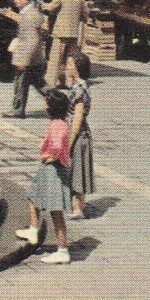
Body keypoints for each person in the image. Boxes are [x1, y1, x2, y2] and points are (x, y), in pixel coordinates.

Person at [15, 89, 74, 264]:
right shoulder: (60, 123)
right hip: (49, 168)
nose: (44, 105)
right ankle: (33, 229)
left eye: (45, 103)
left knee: (56, 211)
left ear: (50, 108)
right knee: (33, 195)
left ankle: (63, 250)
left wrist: (52, 157)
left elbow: (56, 146)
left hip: (54, 170)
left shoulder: (57, 125)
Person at [41, 0, 88, 88]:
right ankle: (69, 82)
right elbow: (85, 15)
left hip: (61, 32)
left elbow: (51, 8)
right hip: (73, 33)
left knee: (55, 58)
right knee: (70, 59)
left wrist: (42, 4)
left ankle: (51, 82)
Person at [4, 0, 47, 118]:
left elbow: (31, 39)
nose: (15, 1)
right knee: (39, 83)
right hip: (33, 56)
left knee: (21, 83)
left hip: (28, 57)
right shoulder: (29, 12)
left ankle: (17, 109)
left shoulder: (29, 15)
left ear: (26, 0)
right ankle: (60, 102)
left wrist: (23, 61)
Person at [63, 54, 94, 220]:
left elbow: (77, 118)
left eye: (69, 64)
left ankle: (78, 208)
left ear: (77, 68)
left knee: (78, 170)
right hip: (75, 132)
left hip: (79, 134)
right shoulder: (76, 86)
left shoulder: (80, 89)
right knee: (74, 169)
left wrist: (69, 143)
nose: (67, 67)